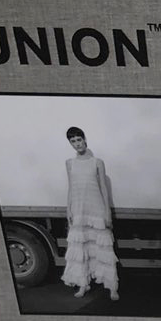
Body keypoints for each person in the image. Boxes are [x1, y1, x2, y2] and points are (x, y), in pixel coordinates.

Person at [62, 126, 119, 301]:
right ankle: (83, 284)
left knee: (103, 249)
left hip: (96, 210)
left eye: (79, 140)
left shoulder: (97, 162)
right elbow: (71, 188)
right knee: (81, 248)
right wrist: (68, 209)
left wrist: (107, 213)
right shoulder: (69, 163)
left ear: (85, 139)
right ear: (70, 144)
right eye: (73, 141)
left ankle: (112, 287)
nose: (77, 144)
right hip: (79, 210)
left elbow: (103, 188)